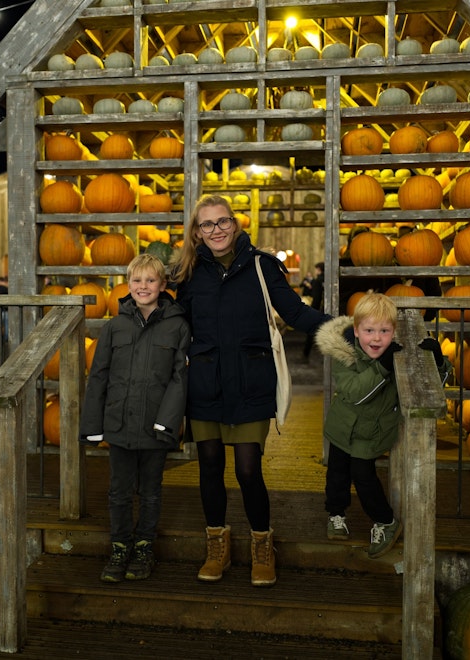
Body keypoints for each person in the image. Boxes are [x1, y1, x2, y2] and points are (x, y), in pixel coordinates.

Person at [171, 194, 330, 588]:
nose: (216, 230)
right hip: (206, 382)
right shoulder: (189, 274)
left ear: (235, 224)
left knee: (247, 469)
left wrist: (345, 329)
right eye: (207, 224)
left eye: (222, 221)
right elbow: (177, 325)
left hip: (250, 380)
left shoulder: (262, 266)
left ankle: (262, 544)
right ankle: (217, 546)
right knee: (209, 467)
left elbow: (294, 312)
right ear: (196, 232)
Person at [79, 253, 191, 583]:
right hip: (120, 424)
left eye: (150, 280)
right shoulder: (114, 327)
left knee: (151, 490)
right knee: (119, 491)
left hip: (155, 426)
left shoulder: (177, 326)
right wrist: (93, 426)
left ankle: (143, 548)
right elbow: (97, 376)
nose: (143, 286)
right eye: (137, 280)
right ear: (127, 285)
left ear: (163, 284)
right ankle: (120, 547)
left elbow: (179, 378)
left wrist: (167, 422)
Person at [315, 293, 450, 558]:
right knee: (337, 475)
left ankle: (385, 521)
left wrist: (438, 362)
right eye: (369, 331)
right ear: (356, 330)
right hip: (342, 428)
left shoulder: (398, 357)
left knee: (364, 477)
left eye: (384, 331)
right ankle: (336, 513)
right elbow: (354, 392)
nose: (376, 338)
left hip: (371, 433)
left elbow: (428, 387)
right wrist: (381, 368)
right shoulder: (345, 355)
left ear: (394, 332)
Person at [301, 261, 325, 361]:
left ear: (318, 269)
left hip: (318, 310)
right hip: (327, 309)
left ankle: (305, 355)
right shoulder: (329, 279)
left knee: (311, 333)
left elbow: (316, 298)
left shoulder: (317, 281)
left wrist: (312, 312)